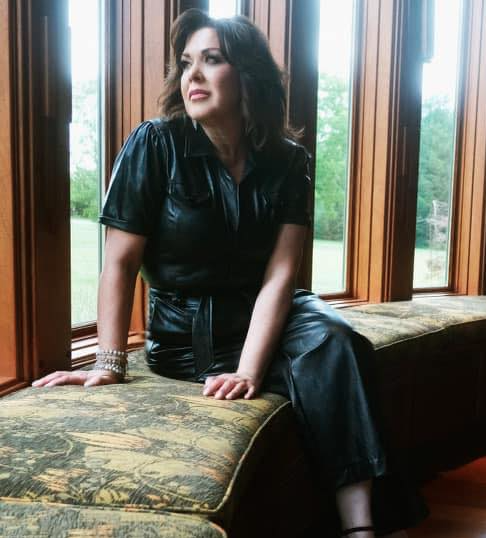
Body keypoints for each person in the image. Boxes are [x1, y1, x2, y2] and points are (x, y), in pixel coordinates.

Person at [33, 9, 428, 538]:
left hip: (272, 313)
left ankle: (360, 527)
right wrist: (108, 363)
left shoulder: (289, 161)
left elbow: (280, 277)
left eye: (211, 59)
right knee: (329, 369)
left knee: (340, 343)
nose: (192, 75)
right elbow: (119, 263)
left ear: (248, 75)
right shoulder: (155, 144)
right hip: (189, 333)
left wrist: (248, 370)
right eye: (185, 63)